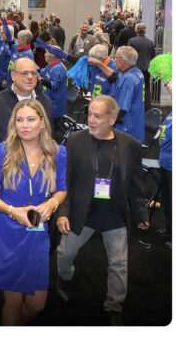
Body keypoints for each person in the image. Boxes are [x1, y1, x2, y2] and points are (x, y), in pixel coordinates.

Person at [56, 96, 149, 326]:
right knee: (65, 254)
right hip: (82, 212)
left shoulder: (130, 146)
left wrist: (141, 214)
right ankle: (64, 279)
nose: (91, 120)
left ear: (112, 119)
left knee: (119, 264)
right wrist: (63, 213)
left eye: (98, 116)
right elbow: (64, 181)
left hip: (114, 215)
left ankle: (114, 305)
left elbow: (137, 185)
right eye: (89, 115)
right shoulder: (76, 141)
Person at [0, 99, 67, 325]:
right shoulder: (4, 151)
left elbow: (62, 190)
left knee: (37, 305)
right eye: (19, 120)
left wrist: (52, 205)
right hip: (6, 231)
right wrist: (11, 210)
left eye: (30, 119)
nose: (24, 125)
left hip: (37, 235)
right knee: (13, 302)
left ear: (42, 123)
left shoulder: (58, 153)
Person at [0, 58, 53, 182]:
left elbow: (48, 137)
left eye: (34, 73)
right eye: (24, 73)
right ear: (13, 75)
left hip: (36, 178)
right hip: (2, 177)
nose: (30, 77)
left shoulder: (45, 103)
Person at [89, 46, 145, 142]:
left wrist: (107, 123)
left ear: (123, 60)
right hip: (136, 123)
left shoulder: (129, 78)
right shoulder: (137, 72)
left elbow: (123, 109)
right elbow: (114, 77)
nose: (114, 61)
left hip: (127, 127)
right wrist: (99, 63)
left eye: (116, 58)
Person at [39, 45, 68, 136]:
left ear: (51, 56)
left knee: (50, 132)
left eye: (46, 53)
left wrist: (41, 80)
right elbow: (42, 72)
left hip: (55, 105)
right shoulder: (50, 65)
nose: (44, 54)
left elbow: (54, 86)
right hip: (48, 101)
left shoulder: (58, 68)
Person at [128, 23, 156, 111]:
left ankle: (134, 107)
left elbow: (129, 56)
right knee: (146, 88)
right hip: (146, 69)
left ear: (136, 30)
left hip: (134, 69)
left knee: (133, 88)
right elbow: (153, 57)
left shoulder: (132, 41)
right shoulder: (150, 42)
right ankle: (147, 109)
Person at [158, 80, 172, 249]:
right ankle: (169, 229)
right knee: (167, 200)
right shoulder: (171, 113)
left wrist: (167, 79)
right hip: (164, 161)